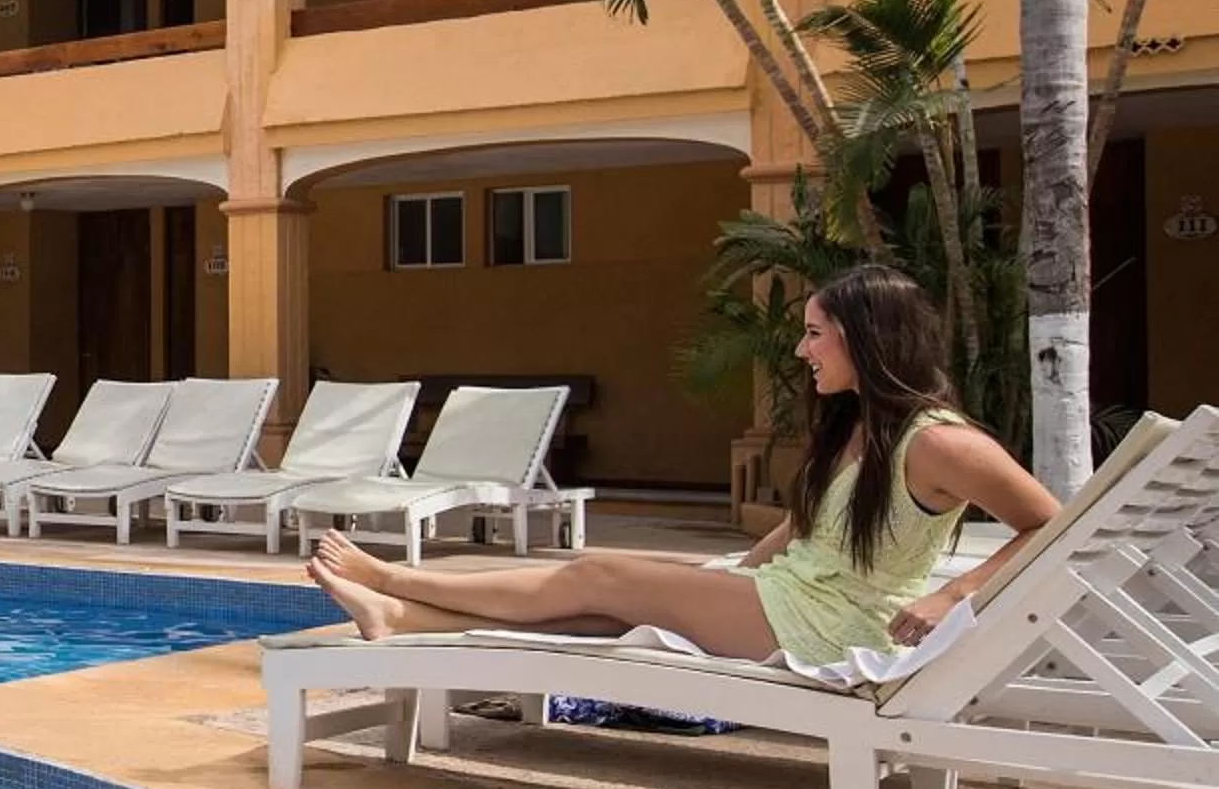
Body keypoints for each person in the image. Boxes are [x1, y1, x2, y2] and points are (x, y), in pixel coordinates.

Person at [306, 265, 1061, 672]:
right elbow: (810, 524)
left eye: (815, 335)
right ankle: (402, 618)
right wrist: (737, 568)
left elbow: (1049, 526)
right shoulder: (858, 426)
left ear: (867, 339)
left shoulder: (940, 442)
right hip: (786, 596)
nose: (803, 351)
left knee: (598, 574)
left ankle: (400, 580)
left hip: (838, 628)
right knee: (607, 612)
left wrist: (951, 596)